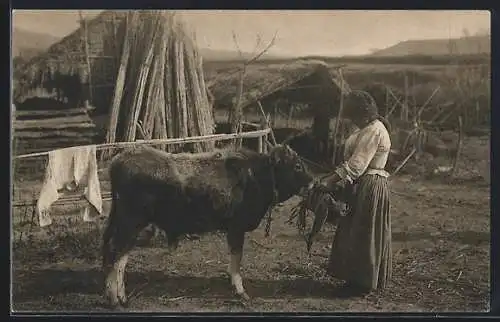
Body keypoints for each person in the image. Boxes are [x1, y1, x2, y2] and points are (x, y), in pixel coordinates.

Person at [315, 90, 392, 295]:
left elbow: (357, 165)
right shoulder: (364, 129)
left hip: (370, 185)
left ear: (364, 114)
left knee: (364, 232)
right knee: (353, 231)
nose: (353, 121)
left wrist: (329, 181)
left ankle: (363, 283)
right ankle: (354, 278)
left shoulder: (374, 130)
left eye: (354, 117)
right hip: (361, 184)